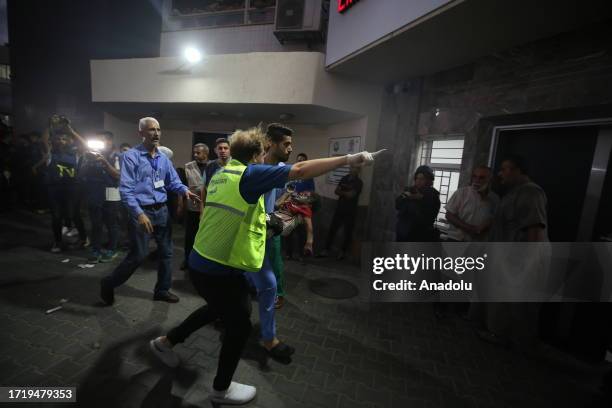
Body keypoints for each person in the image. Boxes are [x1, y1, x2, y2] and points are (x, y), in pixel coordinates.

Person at [149, 126, 379, 405]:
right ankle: (221, 390)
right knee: (240, 324)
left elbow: (238, 211)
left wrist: (268, 222)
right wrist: (349, 159)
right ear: (258, 154)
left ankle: (166, 343)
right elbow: (301, 169)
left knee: (220, 308)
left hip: (204, 260)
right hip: (217, 267)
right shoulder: (250, 174)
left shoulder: (223, 173)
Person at [99, 117, 200, 305]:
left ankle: (162, 290)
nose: (156, 133)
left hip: (161, 211)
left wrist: (185, 191)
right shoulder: (131, 157)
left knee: (167, 253)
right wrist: (139, 213)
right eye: (151, 130)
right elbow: (126, 190)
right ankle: (108, 283)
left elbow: (173, 181)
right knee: (139, 255)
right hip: (142, 212)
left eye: (158, 129)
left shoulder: (163, 158)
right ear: (141, 133)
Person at [42, 116, 88, 252]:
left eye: (64, 139)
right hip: (55, 189)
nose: (61, 141)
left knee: (74, 214)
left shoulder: (75, 154)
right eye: (58, 139)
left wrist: (71, 130)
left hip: (72, 188)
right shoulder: (50, 154)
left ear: (69, 141)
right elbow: (44, 140)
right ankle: (57, 241)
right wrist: (50, 125)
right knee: (56, 216)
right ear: (54, 141)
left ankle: (84, 238)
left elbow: (84, 145)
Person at [79, 131, 121, 263]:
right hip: (94, 192)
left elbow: (118, 175)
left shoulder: (117, 156)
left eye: (104, 140)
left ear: (110, 142)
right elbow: (80, 174)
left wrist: (104, 162)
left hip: (111, 191)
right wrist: (87, 162)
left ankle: (112, 249)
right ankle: (95, 250)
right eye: (98, 140)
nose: (101, 143)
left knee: (111, 223)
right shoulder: (88, 156)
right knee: (96, 223)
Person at [445, 166, 499, 242]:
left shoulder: (494, 199)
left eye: (481, 178)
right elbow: (449, 215)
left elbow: (494, 219)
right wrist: (471, 229)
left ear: (490, 179)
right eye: (474, 176)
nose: (477, 180)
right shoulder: (462, 193)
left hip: (478, 243)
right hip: (456, 239)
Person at [320, 166, 363, 260]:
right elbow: (336, 191)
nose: (353, 170)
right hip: (339, 209)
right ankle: (326, 250)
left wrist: (342, 192)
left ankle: (342, 252)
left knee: (348, 232)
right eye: (352, 168)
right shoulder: (344, 178)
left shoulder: (359, 182)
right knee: (332, 230)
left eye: (355, 168)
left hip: (351, 211)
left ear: (358, 170)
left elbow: (351, 195)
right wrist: (345, 193)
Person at [181, 143, 209, 270]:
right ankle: (187, 260)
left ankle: (203, 261)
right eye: (195, 152)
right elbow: (183, 186)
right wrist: (180, 204)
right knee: (190, 236)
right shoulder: (188, 166)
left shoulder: (213, 166)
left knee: (205, 235)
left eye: (198, 152)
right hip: (192, 206)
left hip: (208, 208)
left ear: (206, 153)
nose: (195, 155)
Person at [395, 165, 441, 242]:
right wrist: (406, 196)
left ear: (428, 180)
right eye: (417, 178)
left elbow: (428, 215)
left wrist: (420, 198)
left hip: (419, 235)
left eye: (422, 179)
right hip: (403, 233)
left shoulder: (432, 195)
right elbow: (397, 205)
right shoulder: (411, 190)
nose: (418, 181)